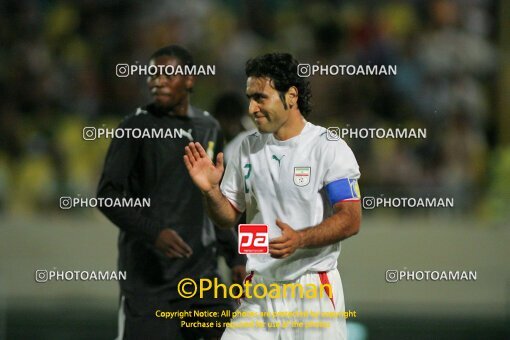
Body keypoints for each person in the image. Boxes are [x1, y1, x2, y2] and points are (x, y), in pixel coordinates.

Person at [184, 52, 361, 340]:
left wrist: (300, 239)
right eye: (249, 98)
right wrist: (210, 192)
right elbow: (227, 216)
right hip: (259, 292)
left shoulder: (329, 148)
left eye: (260, 98)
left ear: (291, 96)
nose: (252, 108)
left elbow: (351, 219)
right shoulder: (246, 148)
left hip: (312, 291)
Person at [97, 45, 245, 340]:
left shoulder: (208, 127)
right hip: (150, 284)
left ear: (190, 80)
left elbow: (216, 196)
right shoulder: (134, 128)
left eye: (167, 73)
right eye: (152, 74)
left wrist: (236, 258)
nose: (157, 81)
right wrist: (154, 233)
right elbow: (107, 195)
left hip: (202, 280)